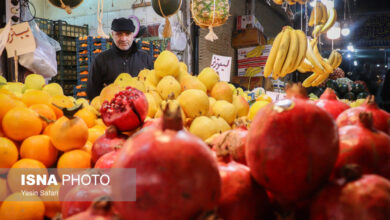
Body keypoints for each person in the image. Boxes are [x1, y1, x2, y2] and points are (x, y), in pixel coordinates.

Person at [87, 17, 153, 100]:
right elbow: (92, 92)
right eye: (119, 34)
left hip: (140, 110)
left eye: (127, 34)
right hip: (112, 111)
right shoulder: (101, 60)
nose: (124, 39)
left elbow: (152, 86)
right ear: (112, 34)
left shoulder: (145, 58)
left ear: (133, 35)